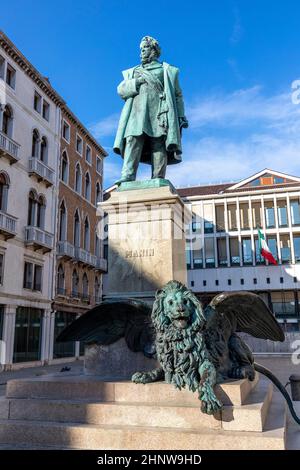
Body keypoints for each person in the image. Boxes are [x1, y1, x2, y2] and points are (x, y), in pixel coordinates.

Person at [113, 36, 188, 185]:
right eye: (140, 49)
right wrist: (136, 82)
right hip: (136, 114)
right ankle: (128, 175)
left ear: (153, 50)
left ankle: (158, 176)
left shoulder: (167, 70)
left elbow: (178, 95)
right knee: (132, 140)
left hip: (159, 112)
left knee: (158, 142)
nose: (141, 52)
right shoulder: (133, 72)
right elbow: (121, 90)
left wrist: (180, 115)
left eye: (144, 48)